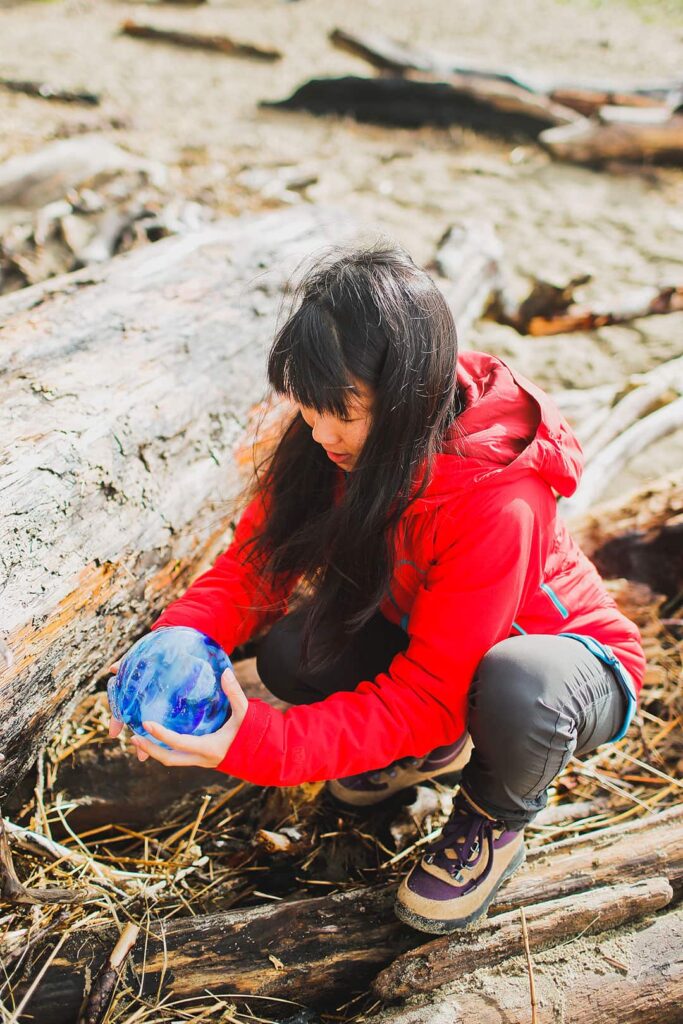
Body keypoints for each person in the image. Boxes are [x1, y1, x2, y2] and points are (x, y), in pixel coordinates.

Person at [108, 244, 645, 935]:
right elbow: (253, 565)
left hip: (566, 665)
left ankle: (492, 819)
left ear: (406, 396)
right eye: (306, 406)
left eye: (342, 414)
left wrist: (257, 742)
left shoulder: (497, 501)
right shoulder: (332, 435)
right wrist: (179, 636)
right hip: (432, 634)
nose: (319, 431)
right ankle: (426, 752)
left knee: (518, 688)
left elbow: (426, 694)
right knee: (295, 655)